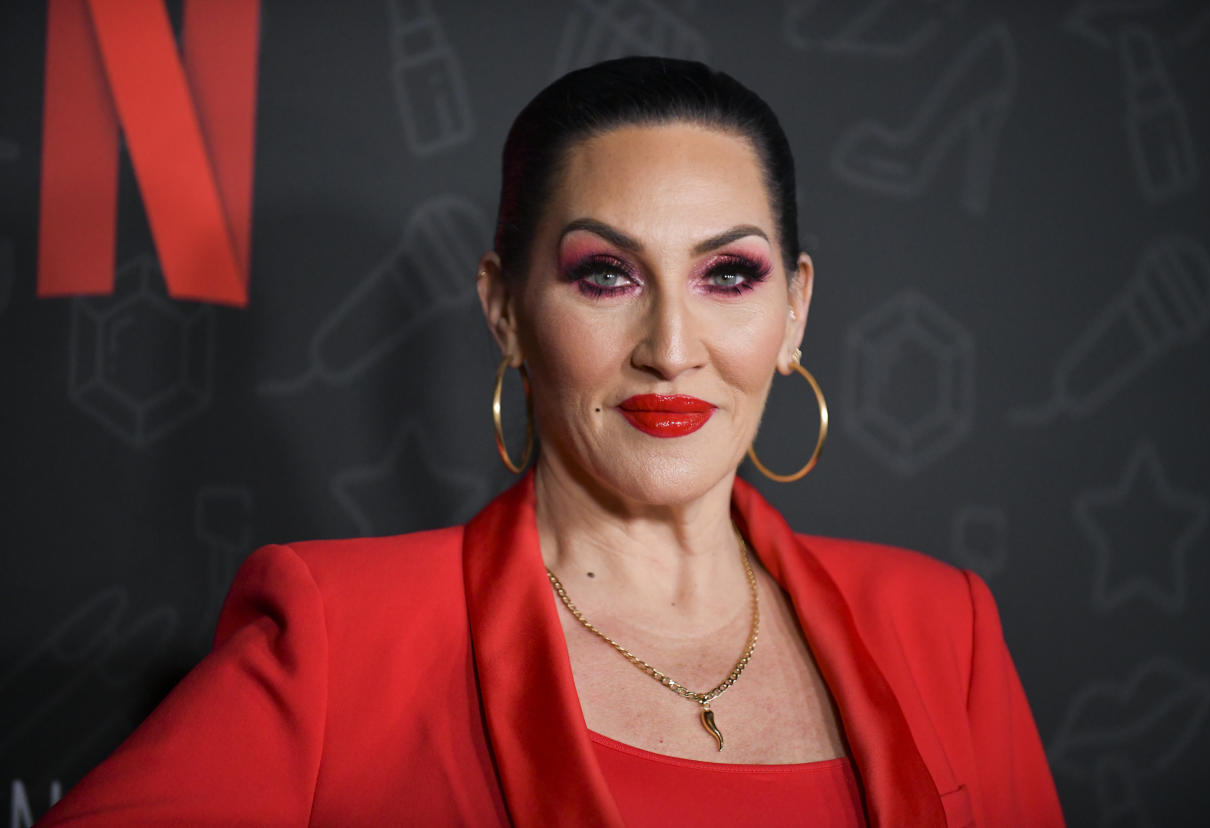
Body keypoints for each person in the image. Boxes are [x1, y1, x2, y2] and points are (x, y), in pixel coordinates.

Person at [39, 57, 1063, 827]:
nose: (670, 348)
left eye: (730, 275)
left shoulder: (946, 629)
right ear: (505, 310)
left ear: (795, 310)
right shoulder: (338, 635)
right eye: (605, 275)